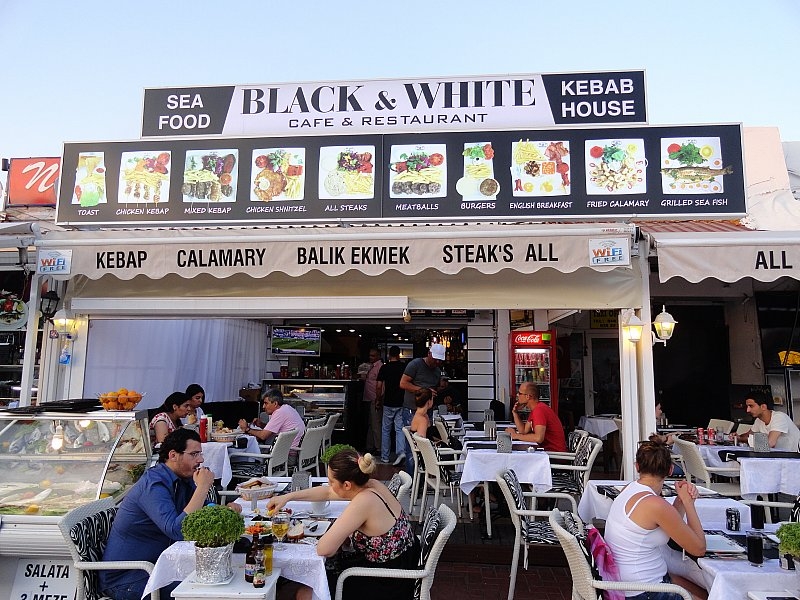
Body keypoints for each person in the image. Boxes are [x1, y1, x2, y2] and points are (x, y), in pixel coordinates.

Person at [100, 429, 241, 600]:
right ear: (173, 455)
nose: (201, 460)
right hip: (130, 579)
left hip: (161, 567)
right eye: (194, 454)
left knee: (229, 575)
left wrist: (225, 510)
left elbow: (202, 512)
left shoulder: (183, 478)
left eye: (200, 454)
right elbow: (178, 531)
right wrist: (203, 487)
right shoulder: (154, 485)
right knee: (208, 592)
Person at [267, 448, 420, 600]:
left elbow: (324, 549)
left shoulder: (364, 501)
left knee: (305, 593)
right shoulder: (372, 485)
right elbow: (327, 492)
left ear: (347, 485)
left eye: (331, 481)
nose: (329, 484)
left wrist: (339, 528)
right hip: (399, 566)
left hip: (387, 581)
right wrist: (287, 497)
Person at [604, 441, 708, 600]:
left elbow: (670, 524)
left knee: (706, 591)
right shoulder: (655, 504)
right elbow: (699, 549)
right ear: (670, 470)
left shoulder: (630, 489)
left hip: (627, 582)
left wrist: (681, 500)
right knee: (711, 593)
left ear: (637, 466)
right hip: (643, 590)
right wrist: (689, 503)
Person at [505, 382, 567, 452]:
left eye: (519, 393)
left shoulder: (539, 410)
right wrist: (515, 413)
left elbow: (538, 438)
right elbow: (524, 431)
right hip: (546, 451)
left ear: (528, 396)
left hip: (554, 454)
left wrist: (515, 435)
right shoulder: (536, 409)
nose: (517, 395)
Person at [239, 388, 305, 449]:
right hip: (292, 450)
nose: (263, 407)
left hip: (286, 452)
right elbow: (272, 430)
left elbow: (263, 436)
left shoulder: (280, 412)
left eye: (266, 403)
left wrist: (247, 429)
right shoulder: (287, 408)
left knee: (247, 450)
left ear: (275, 403)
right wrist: (261, 425)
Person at [378, 345, 407, 466]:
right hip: (401, 402)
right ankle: (401, 452)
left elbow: (379, 386)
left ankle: (385, 456)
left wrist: (378, 399)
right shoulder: (404, 367)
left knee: (386, 430)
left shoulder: (385, 368)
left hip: (388, 402)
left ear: (389, 355)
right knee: (399, 429)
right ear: (399, 355)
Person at [363, 348, 383, 454]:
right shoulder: (372, 366)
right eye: (370, 355)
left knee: (376, 424)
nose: (371, 357)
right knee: (371, 423)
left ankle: (378, 447)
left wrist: (378, 399)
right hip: (370, 398)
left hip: (375, 399)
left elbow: (381, 385)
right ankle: (370, 446)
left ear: (378, 356)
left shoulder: (379, 367)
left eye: (373, 356)